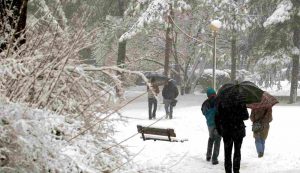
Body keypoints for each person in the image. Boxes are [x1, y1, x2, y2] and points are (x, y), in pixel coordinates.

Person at [215, 94, 249, 173]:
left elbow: (217, 117)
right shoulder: (240, 102)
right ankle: (236, 170)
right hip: (238, 131)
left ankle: (228, 171)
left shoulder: (222, 102)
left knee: (227, 153)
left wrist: (219, 130)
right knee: (237, 151)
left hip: (227, 131)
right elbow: (246, 116)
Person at [201, 87, 221, 165]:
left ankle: (208, 155)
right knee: (218, 139)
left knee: (211, 138)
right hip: (218, 123)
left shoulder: (205, 103)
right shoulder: (218, 100)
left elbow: (203, 112)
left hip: (209, 124)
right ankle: (214, 158)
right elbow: (221, 111)